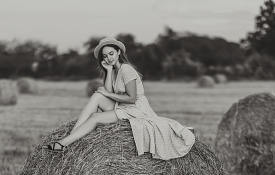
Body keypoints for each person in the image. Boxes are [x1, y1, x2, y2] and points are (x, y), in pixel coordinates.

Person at [43, 37, 195, 160]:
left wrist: (107, 94)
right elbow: (107, 92)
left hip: (135, 109)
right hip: (122, 107)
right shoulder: (115, 71)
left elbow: (131, 98)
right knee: (96, 96)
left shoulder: (126, 70)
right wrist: (108, 72)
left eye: (111, 54)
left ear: (118, 52)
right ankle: (73, 136)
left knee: (96, 116)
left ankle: (64, 143)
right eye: (104, 56)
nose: (108, 58)